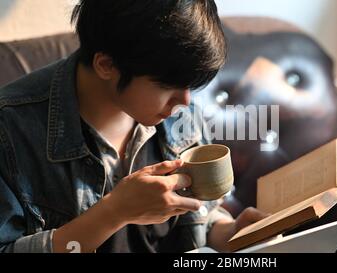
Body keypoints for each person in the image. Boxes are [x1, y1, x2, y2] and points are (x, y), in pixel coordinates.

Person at [0, 0, 267, 253]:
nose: (185, 101)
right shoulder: (11, 130)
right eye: (167, 84)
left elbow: (202, 218)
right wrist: (113, 213)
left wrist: (232, 233)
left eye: (189, 84)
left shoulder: (175, 108)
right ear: (106, 65)